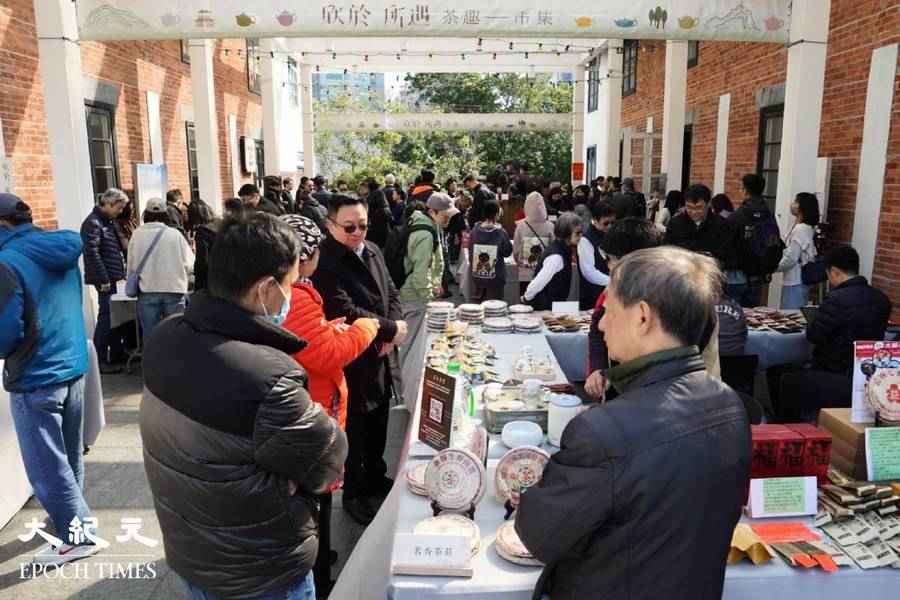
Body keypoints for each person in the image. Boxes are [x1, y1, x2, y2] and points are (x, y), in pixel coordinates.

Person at [516, 246, 751, 600]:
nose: (601, 323)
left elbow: (538, 533)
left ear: (642, 317)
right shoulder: (730, 404)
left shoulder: (604, 433)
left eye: (609, 310)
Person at [141, 212, 348, 600]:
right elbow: (328, 461)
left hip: (193, 553)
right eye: (291, 282)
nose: (295, 291)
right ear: (266, 288)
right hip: (260, 568)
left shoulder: (166, 336)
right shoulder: (266, 377)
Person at [279, 214, 380, 597]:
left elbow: (310, 342)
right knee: (314, 503)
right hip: (315, 410)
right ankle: (319, 579)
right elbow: (326, 354)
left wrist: (331, 328)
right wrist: (365, 328)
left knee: (314, 503)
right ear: (305, 255)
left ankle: (320, 562)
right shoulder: (297, 294)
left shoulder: (297, 291)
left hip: (312, 404)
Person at [0, 194, 99, 566]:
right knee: (68, 456)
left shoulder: (7, 262)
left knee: (45, 465)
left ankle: (78, 535)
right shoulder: (61, 248)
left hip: (36, 375)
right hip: (71, 366)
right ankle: (70, 524)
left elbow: (7, 330)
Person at [311, 194, 408, 526]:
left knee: (380, 419)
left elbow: (391, 292)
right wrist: (388, 330)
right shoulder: (325, 260)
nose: (357, 233)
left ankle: (376, 475)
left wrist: (389, 332)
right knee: (355, 427)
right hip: (350, 356)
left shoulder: (374, 250)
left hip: (379, 350)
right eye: (349, 227)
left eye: (363, 226)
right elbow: (342, 309)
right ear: (330, 225)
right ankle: (354, 491)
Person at [768, 246, 892, 421]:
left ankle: (788, 425)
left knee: (780, 373)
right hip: (867, 376)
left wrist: (815, 320)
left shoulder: (836, 299)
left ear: (834, 272)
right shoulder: (881, 299)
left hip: (836, 376)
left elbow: (814, 336)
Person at [126, 198, 195, 339]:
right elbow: (190, 263)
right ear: (165, 214)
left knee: (151, 335)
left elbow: (132, 265)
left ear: (146, 214)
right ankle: (175, 360)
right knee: (177, 334)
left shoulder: (137, 235)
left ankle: (153, 360)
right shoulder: (175, 234)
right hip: (174, 289)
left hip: (147, 290)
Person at [399, 194, 454, 367]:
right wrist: (428, 296)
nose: (448, 218)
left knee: (411, 341)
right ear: (433, 211)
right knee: (410, 343)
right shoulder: (425, 233)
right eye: (445, 214)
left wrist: (436, 283)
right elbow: (420, 273)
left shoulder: (428, 224)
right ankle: (402, 385)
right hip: (414, 295)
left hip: (412, 291)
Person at [81, 187, 127, 372]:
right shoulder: (93, 223)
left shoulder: (107, 221)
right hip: (105, 279)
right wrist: (103, 278)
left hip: (112, 276)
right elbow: (91, 253)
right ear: (107, 203)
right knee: (107, 317)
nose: (120, 211)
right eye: (119, 207)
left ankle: (116, 353)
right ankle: (99, 360)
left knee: (115, 316)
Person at [727, 174, 783, 307]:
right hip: (760, 274)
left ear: (745, 190)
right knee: (754, 315)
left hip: (737, 275)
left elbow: (727, 244)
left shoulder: (737, 216)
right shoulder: (768, 215)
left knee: (734, 316)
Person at [664, 184, 738, 269]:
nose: (694, 212)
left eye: (699, 207)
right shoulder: (675, 223)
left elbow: (728, 256)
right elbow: (667, 250)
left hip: (710, 274)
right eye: (689, 207)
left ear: (709, 204)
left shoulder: (722, 225)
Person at [522, 212, 582, 310]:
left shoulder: (563, 249)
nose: (581, 236)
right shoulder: (556, 257)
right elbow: (538, 282)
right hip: (545, 307)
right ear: (566, 233)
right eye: (577, 233)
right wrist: (526, 298)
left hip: (553, 305)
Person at [775, 192, 820, 309]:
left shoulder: (801, 229)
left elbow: (792, 257)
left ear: (802, 207)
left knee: (791, 314)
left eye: (796, 201)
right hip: (797, 279)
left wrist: (774, 267)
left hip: (795, 279)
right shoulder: (800, 226)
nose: (792, 204)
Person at [193, 198, 243, 293]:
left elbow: (202, 260)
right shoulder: (234, 228)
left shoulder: (204, 231)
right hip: (232, 277)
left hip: (211, 279)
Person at [469, 198, 513, 302]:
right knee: (495, 307)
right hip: (496, 277)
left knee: (479, 308)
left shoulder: (474, 230)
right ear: (497, 214)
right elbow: (507, 252)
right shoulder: (501, 232)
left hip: (478, 275)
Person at [513, 191, 555, 295]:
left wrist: (520, 262)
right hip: (545, 273)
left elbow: (516, 250)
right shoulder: (550, 226)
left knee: (525, 300)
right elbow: (554, 249)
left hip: (525, 272)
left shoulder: (521, 226)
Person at [578, 201, 616, 310]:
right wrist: (613, 281)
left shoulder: (609, 236)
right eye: (606, 223)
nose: (610, 226)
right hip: (591, 295)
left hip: (609, 292)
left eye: (613, 222)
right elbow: (589, 272)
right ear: (595, 220)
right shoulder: (586, 240)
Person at [359, 178, 394, 249]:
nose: (361, 190)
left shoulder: (375, 194)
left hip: (377, 228)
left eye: (364, 187)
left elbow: (375, 210)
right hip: (381, 228)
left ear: (369, 187)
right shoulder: (377, 193)